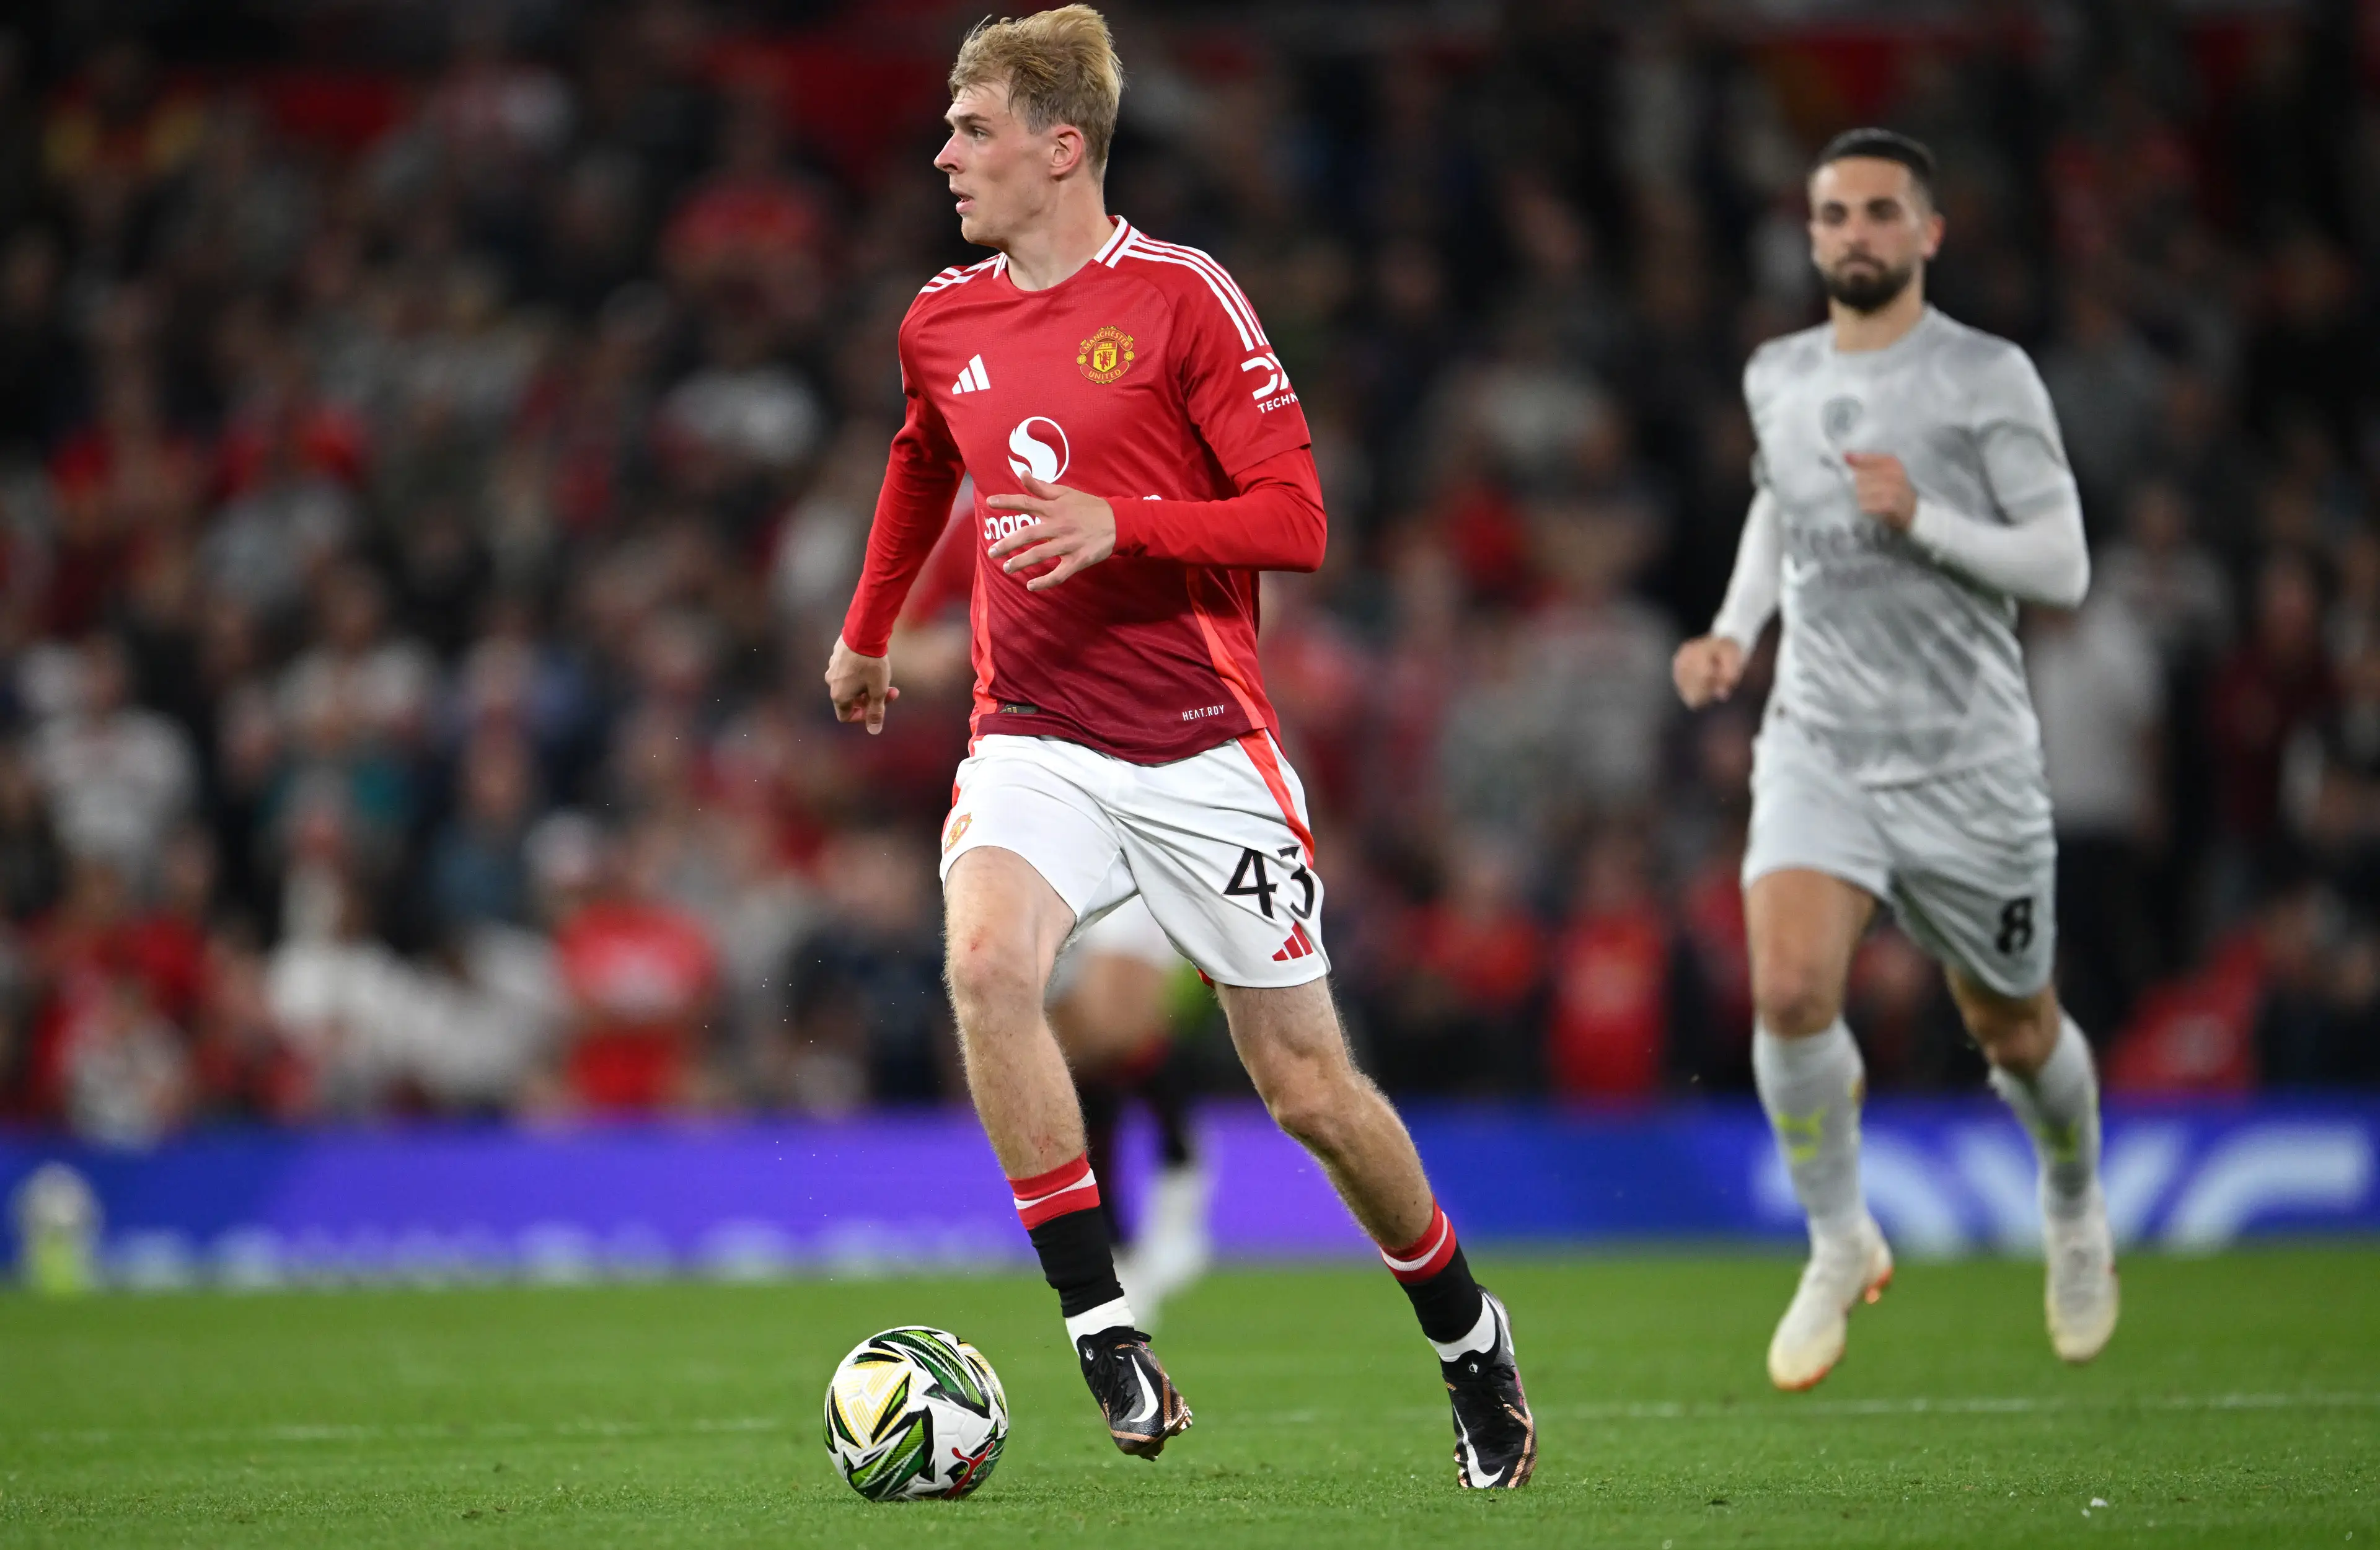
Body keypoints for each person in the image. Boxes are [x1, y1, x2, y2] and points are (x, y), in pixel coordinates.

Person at [824, 7, 1532, 1487]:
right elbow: (917, 458)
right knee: (982, 965)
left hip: (1202, 745)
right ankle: (1099, 1317)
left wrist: (1120, 523)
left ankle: (1467, 1337)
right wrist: (869, 627)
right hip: (1033, 733)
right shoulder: (939, 317)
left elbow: (1299, 518)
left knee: (1309, 1095)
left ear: (1059, 146)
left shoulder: (1184, 300)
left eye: (973, 128)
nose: (944, 152)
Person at [1671, 129, 2118, 1391]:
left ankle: (2076, 1200)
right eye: (1834, 215)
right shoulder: (1779, 372)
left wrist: (1926, 516)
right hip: (1820, 740)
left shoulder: (1989, 378)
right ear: (1810, 237)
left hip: (1968, 761)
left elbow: (2064, 564)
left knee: (2012, 1024)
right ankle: (1837, 1232)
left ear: (1929, 233)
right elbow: (1781, 498)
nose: (1855, 233)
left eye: (1880, 212)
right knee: (1791, 988)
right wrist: (1730, 629)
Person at [1046, 896, 1210, 1327]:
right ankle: (1121, 1250)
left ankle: (1179, 1191)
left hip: (1133, 880)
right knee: (1087, 1067)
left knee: (1118, 1042)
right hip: (1065, 892)